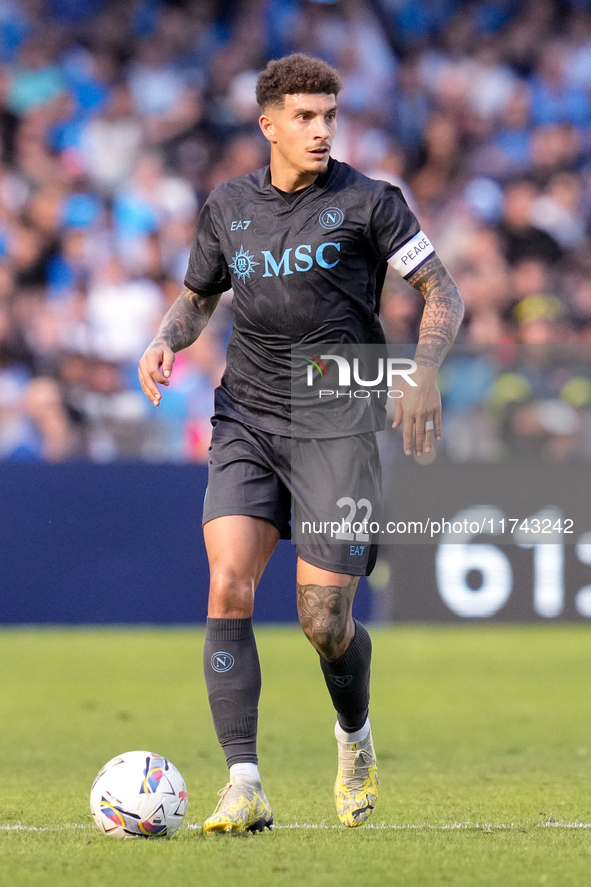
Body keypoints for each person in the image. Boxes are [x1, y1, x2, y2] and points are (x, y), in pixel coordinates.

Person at [138, 54, 464, 833]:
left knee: (323, 622)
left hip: (337, 419)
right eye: (306, 118)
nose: (321, 131)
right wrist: (165, 338)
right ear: (269, 125)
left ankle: (353, 737)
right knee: (227, 588)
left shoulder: (369, 202)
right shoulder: (227, 207)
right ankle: (243, 782)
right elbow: (199, 295)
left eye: (329, 117)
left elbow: (441, 292)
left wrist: (420, 372)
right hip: (246, 416)